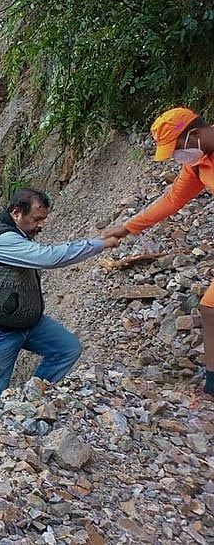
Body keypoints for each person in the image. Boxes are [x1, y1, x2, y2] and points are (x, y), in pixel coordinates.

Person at [0, 188, 120, 405]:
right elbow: (48, 257)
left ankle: (32, 400)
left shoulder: (19, 232)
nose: (41, 225)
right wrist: (99, 244)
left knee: (67, 349)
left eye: (43, 219)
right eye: (36, 219)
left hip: (26, 320)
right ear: (16, 213)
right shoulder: (2, 239)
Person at [102, 107, 214, 395]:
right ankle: (213, 380)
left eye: (178, 148)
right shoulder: (198, 164)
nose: (178, 156)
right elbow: (172, 200)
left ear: (194, 134)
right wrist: (127, 228)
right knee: (209, 306)